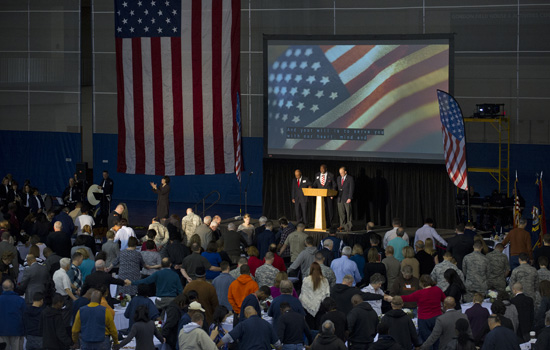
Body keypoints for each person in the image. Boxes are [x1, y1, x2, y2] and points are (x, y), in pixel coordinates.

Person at [399, 275, 446, 346]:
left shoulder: (419, 293)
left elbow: (406, 298)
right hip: (437, 317)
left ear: (421, 283)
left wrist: (393, 298)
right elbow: (445, 300)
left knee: (427, 341)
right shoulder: (437, 289)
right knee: (437, 339)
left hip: (424, 320)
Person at [300, 261, 330, 329]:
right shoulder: (325, 280)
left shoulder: (306, 280)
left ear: (311, 269)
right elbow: (327, 294)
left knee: (310, 328)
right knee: (319, 327)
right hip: (321, 306)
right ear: (320, 269)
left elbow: (303, 294)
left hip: (307, 306)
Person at [0, 280, 26, 349]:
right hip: (17, 330)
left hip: (1, 331)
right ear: (13, 287)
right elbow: (25, 316)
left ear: (2, 288)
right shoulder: (20, 300)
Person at [336, 167, 354, 232]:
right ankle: (342, 226)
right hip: (340, 198)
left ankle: (349, 226)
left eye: (342, 173)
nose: (341, 174)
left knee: (348, 213)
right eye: (340, 173)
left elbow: (351, 189)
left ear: (345, 172)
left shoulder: (350, 178)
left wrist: (349, 197)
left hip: (347, 198)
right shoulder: (338, 178)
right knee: (341, 213)